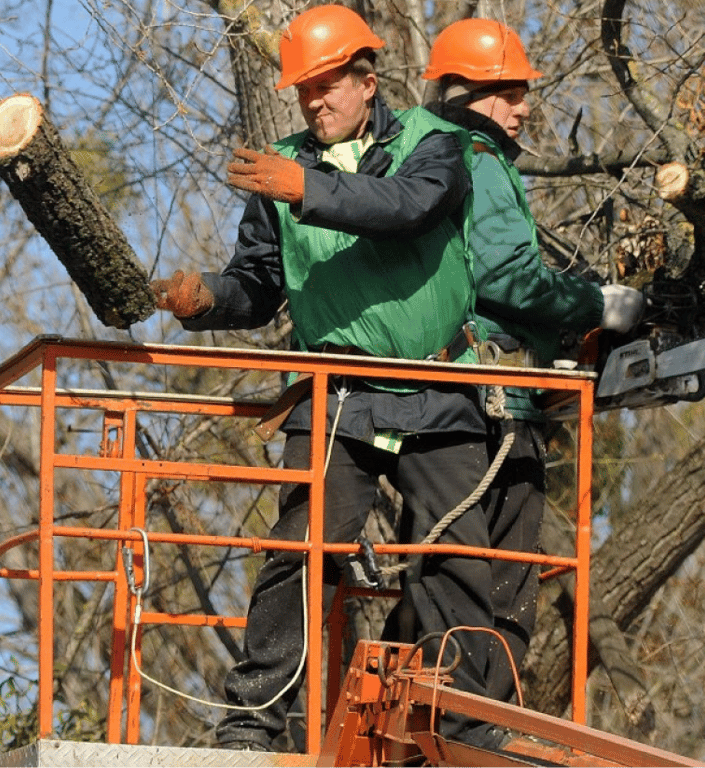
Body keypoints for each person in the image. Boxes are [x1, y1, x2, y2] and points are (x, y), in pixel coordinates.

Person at [149, 4, 507, 753]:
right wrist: (208, 299)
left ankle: (474, 735)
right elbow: (260, 283)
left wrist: (305, 190)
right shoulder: (280, 169)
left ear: (368, 81)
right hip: (337, 392)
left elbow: (409, 209)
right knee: (301, 552)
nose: (314, 102)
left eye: (328, 86)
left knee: (461, 563)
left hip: (439, 391)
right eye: (304, 91)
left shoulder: (435, 145)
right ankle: (252, 724)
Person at [418, 17, 645, 708]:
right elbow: (510, 279)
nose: (524, 107)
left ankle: (467, 704)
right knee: (507, 573)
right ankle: (481, 714)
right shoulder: (477, 161)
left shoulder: (442, 156)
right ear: (469, 94)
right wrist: (594, 303)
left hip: (474, 396)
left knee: (469, 567)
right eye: (511, 92)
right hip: (491, 398)